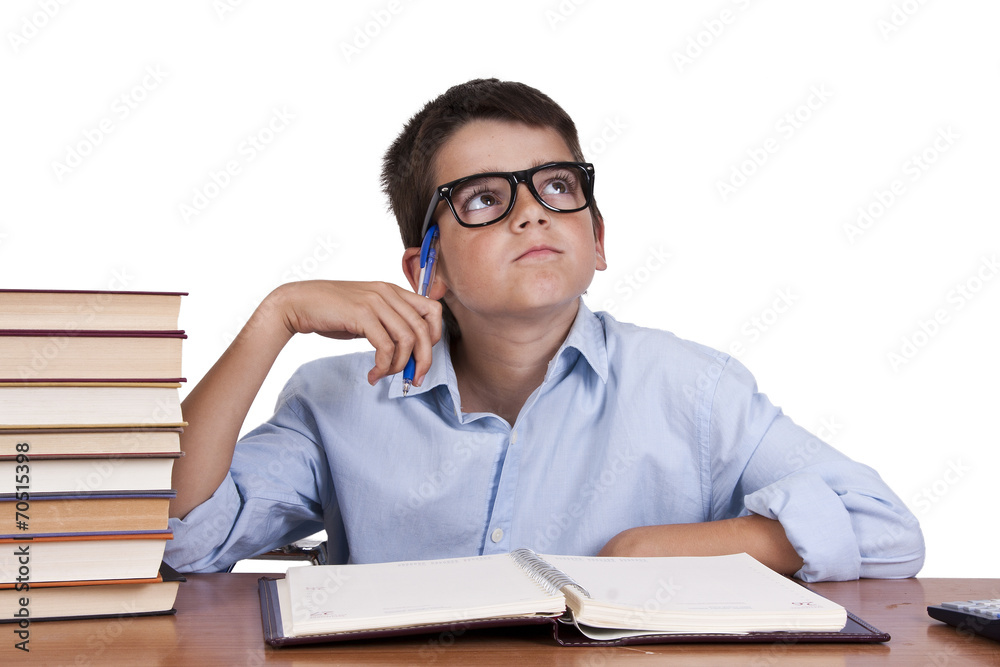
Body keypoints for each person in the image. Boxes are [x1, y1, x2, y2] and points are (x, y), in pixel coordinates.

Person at [165, 78, 924, 582]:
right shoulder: (335, 397)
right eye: (484, 199)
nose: (532, 211)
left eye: (557, 186)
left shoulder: (691, 389)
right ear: (426, 268)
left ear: (596, 237)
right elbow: (181, 536)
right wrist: (275, 317)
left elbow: (886, 529)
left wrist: (644, 551)